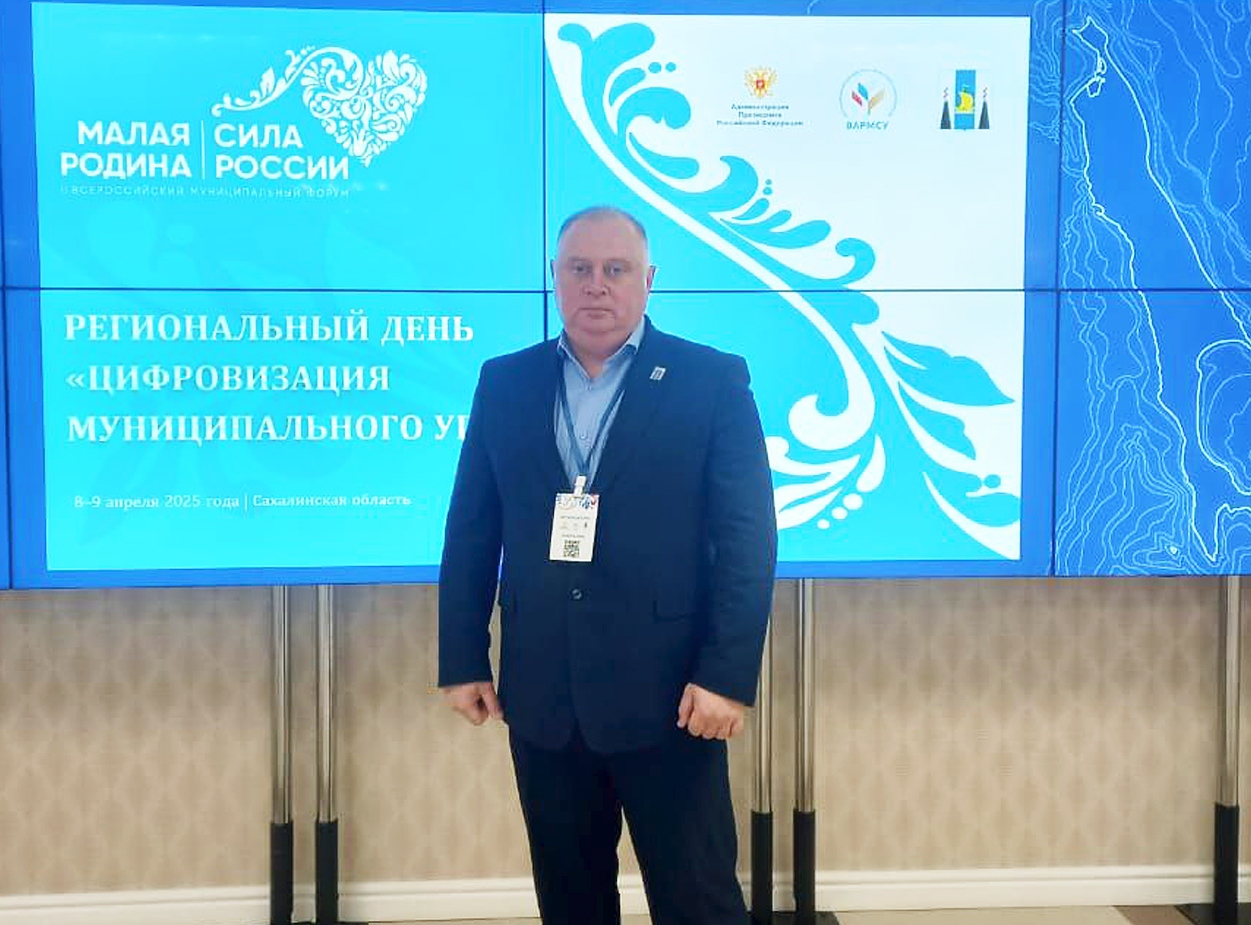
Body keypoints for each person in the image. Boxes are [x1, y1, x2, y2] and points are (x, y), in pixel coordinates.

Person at [437, 205, 778, 925]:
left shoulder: (710, 380)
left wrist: (726, 676)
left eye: (615, 269)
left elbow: (747, 540)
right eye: (580, 268)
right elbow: (472, 528)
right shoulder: (504, 382)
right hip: (544, 699)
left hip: (673, 700)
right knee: (570, 904)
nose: (596, 284)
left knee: (699, 903)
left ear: (648, 280)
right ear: (555, 277)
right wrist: (462, 657)